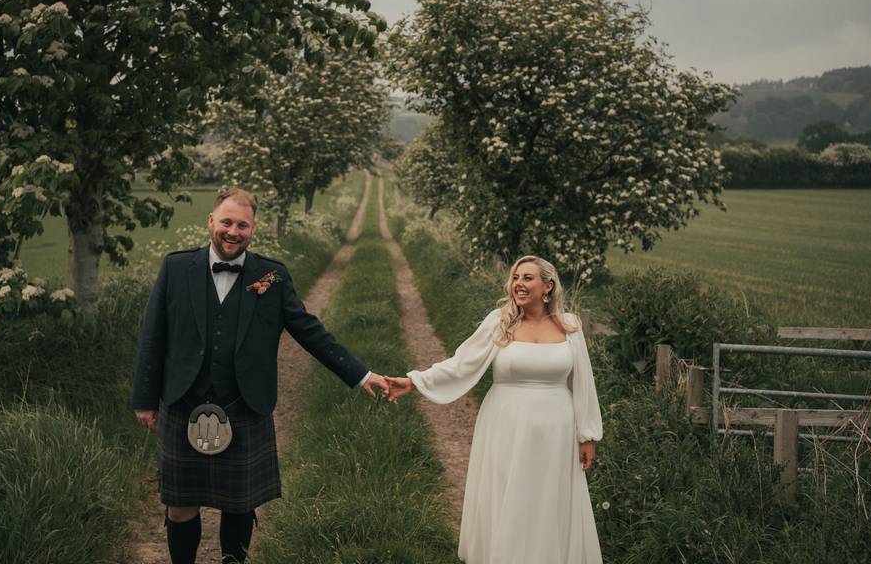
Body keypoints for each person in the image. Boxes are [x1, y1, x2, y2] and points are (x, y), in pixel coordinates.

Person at [130, 188, 389, 564]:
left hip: (244, 405)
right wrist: (144, 399)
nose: (233, 231)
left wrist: (363, 375)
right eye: (226, 222)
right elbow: (154, 335)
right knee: (180, 506)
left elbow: (310, 331)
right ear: (211, 222)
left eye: (242, 225)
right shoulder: (175, 267)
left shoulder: (272, 276)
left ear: (253, 229)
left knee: (239, 505)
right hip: (182, 402)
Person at [386, 255, 603, 564]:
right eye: (515, 278)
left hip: (557, 428)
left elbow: (583, 383)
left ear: (548, 286)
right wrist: (414, 382)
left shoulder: (570, 327)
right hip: (506, 423)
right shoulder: (500, 321)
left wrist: (588, 434)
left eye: (527, 278)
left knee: (548, 500)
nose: (518, 284)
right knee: (509, 496)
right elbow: (461, 364)